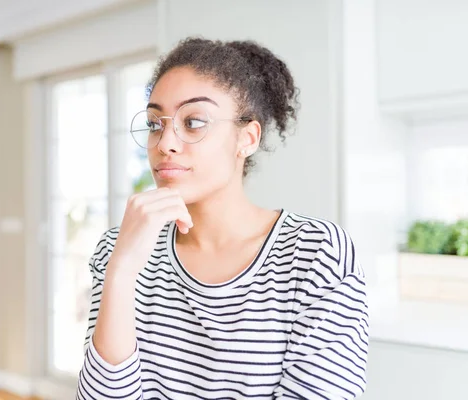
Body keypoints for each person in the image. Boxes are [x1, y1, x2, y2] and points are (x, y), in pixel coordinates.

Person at [76, 37, 369, 400]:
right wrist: (119, 274)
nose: (165, 142)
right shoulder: (117, 250)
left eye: (194, 121)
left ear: (246, 138)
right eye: (155, 124)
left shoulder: (317, 253)